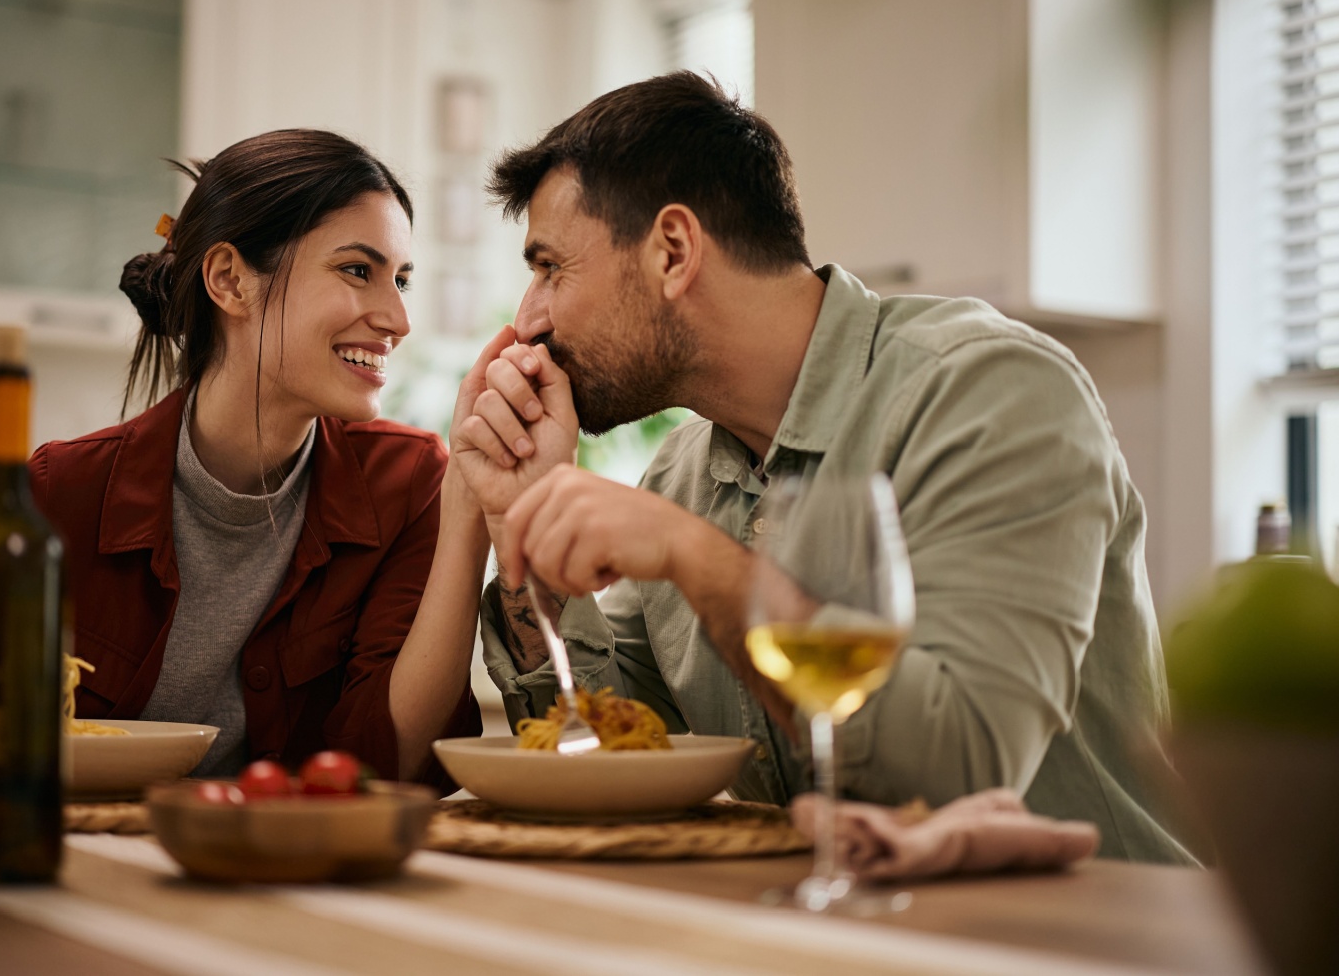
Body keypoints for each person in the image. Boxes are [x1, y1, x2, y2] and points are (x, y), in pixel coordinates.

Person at [453, 72, 1195, 862]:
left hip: (1085, 938)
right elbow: (606, 756)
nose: (526, 321)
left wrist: (699, 558)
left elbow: (960, 779)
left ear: (673, 251)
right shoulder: (683, 473)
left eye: (549, 269)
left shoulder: (992, 394)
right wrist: (520, 524)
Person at [0, 129, 489, 790]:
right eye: (358, 270)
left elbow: (392, 764)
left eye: (400, 280)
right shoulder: (60, 494)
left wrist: (470, 514)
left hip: (295, 884)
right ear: (229, 281)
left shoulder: (412, 483)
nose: (396, 319)